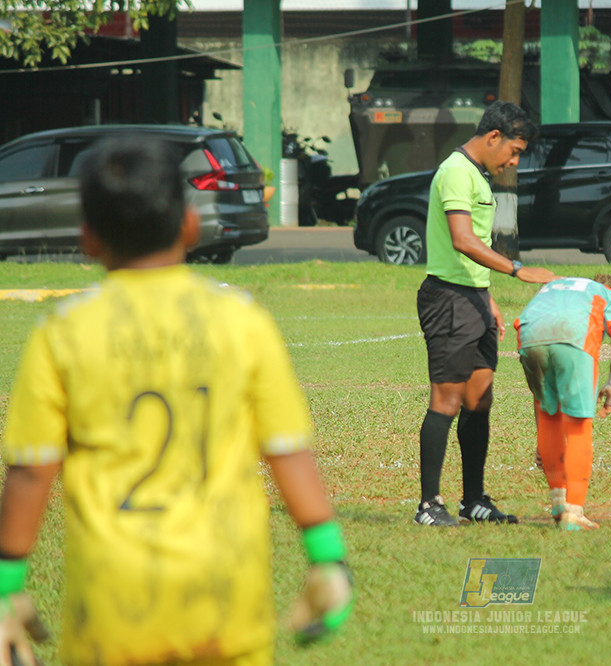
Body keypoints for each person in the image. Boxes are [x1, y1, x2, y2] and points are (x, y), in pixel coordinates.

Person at [0, 136, 352, 666]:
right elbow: (287, 449)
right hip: (225, 599)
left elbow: (31, 469)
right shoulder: (242, 321)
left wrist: (8, 583)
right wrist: (328, 559)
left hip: (112, 605)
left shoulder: (63, 333)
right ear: (189, 225)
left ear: (88, 238)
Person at [415, 101, 556, 527]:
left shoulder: (476, 174)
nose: (513, 161)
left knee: (480, 398)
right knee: (448, 399)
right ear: (493, 137)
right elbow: (461, 239)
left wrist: (487, 295)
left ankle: (473, 500)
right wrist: (516, 268)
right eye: (513, 151)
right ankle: (428, 505)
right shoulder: (456, 171)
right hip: (448, 299)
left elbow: (472, 244)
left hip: (473, 297)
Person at [514, 274, 611, 531]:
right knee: (579, 426)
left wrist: (539, 440)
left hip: (528, 333)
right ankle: (574, 512)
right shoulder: (605, 293)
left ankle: (558, 503)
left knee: (549, 414)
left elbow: (541, 402)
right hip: (571, 334)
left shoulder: (560, 287)